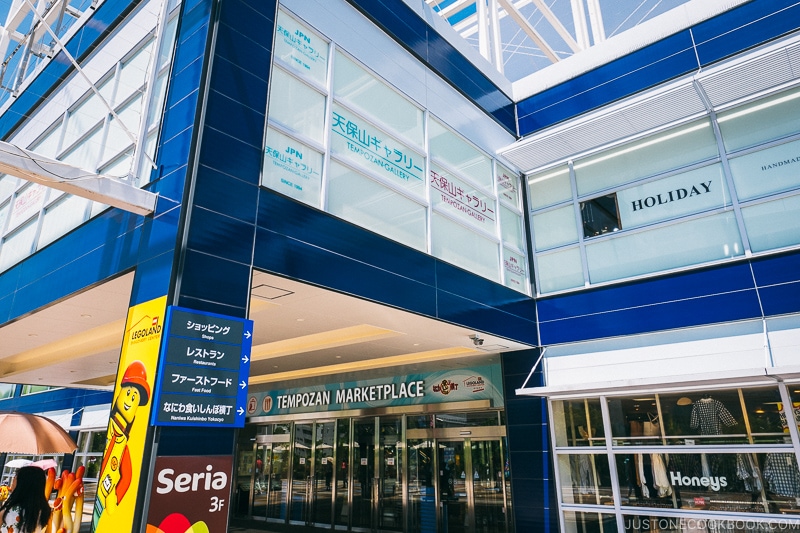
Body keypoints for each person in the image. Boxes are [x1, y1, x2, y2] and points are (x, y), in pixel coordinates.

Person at [0, 466, 51, 533]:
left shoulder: (8, 511)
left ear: (22, 484)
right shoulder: (44, 511)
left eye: (15, 478)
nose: (12, 482)